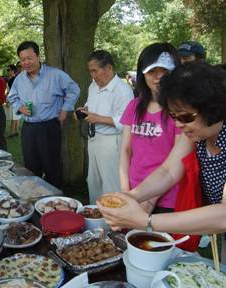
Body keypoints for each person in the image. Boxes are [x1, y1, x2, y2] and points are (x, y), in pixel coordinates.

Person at [97, 63, 226, 262]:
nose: (178, 124)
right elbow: (168, 170)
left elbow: (224, 215)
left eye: (185, 116)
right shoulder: (196, 133)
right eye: (173, 116)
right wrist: (131, 196)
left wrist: (147, 221)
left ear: (212, 108)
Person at [8, 41, 80, 188]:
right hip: (28, 128)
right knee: (31, 167)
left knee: (52, 166)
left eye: (29, 58)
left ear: (38, 56)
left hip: (49, 127)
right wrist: (20, 107)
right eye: (22, 60)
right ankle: (35, 200)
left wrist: (65, 109)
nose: (26, 63)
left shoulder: (55, 75)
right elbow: (12, 97)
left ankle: (55, 202)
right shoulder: (19, 79)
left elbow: (74, 89)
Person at [120, 43, 181, 214]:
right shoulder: (134, 106)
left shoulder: (181, 111)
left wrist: (151, 199)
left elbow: (176, 161)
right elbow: (125, 150)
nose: (158, 77)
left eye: (165, 72)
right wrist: (126, 192)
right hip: (135, 190)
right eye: (152, 71)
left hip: (167, 196)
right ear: (142, 73)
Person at [75, 50, 133, 204]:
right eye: (90, 71)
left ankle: (113, 223)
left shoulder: (123, 91)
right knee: (93, 181)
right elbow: (90, 104)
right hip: (94, 139)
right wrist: (84, 110)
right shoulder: (93, 85)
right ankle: (96, 216)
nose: (92, 75)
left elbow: (126, 122)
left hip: (111, 142)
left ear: (108, 68)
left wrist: (99, 119)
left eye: (95, 71)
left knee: (110, 184)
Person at [6, 64, 21, 138]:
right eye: (7, 70)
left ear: (13, 71)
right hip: (17, 99)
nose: (7, 71)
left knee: (14, 117)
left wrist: (8, 101)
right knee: (16, 116)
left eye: (8, 70)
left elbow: (12, 92)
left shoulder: (13, 79)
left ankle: (12, 132)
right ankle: (16, 131)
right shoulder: (14, 79)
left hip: (14, 99)